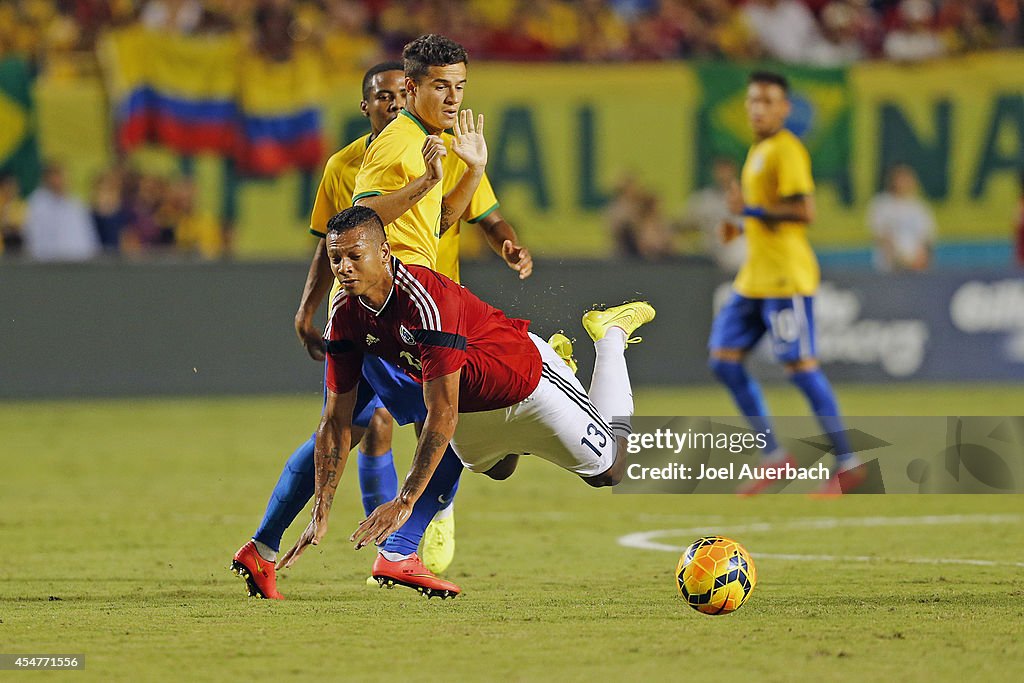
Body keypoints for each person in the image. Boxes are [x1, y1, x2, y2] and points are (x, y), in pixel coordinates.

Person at [233, 41, 530, 599]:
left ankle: (266, 546)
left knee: (354, 425)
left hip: (415, 309)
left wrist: (475, 170)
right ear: (371, 102)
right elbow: (349, 230)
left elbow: (443, 220)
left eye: (458, 87)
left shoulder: (431, 145)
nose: (395, 104)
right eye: (389, 96)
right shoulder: (381, 153)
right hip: (397, 312)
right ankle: (402, 547)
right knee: (449, 428)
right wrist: (309, 307)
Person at [275, 206, 655, 594]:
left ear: (385, 253)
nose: (344, 267)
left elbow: (440, 412)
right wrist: (321, 508)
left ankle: (609, 337)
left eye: (356, 255)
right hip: (472, 408)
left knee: (612, 470)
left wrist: (405, 500)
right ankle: (565, 367)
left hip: (525, 383)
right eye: (336, 257)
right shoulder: (343, 314)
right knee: (500, 469)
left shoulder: (426, 301)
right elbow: (335, 421)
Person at [709, 71, 861, 496]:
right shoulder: (758, 150)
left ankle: (848, 461)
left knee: (799, 366)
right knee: (723, 360)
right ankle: (776, 457)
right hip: (754, 277)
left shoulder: (787, 150)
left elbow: (803, 211)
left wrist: (750, 212)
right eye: (753, 100)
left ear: (784, 108)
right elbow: (764, 215)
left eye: (767, 101)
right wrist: (739, 229)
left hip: (785, 278)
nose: (758, 108)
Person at [23, 161, 100, 262]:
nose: (60, 181)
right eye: (56, 177)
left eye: (63, 177)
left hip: (78, 265)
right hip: (46, 265)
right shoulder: (36, 204)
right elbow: (31, 237)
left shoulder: (76, 204)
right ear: (47, 179)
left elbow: (88, 237)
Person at [868, 164, 936, 272]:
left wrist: (919, 259)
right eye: (901, 179)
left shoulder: (919, 207)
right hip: (890, 268)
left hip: (916, 268)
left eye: (907, 179)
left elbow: (927, 238)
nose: (904, 183)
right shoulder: (882, 204)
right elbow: (880, 235)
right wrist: (898, 258)